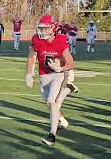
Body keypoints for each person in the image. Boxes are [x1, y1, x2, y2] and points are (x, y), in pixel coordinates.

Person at [25, 15, 75, 145]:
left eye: (46, 28)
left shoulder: (61, 40)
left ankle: (52, 135)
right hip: (44, 75)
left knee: (52, 101)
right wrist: (29, 74)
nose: (42, 31)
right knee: (50, 103)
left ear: (53, 28)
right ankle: (67, 90)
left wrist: (59, 69)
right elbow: (31, 57)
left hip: (58, 74)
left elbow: (70, 63)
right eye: (41, 28)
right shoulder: (36, 39)